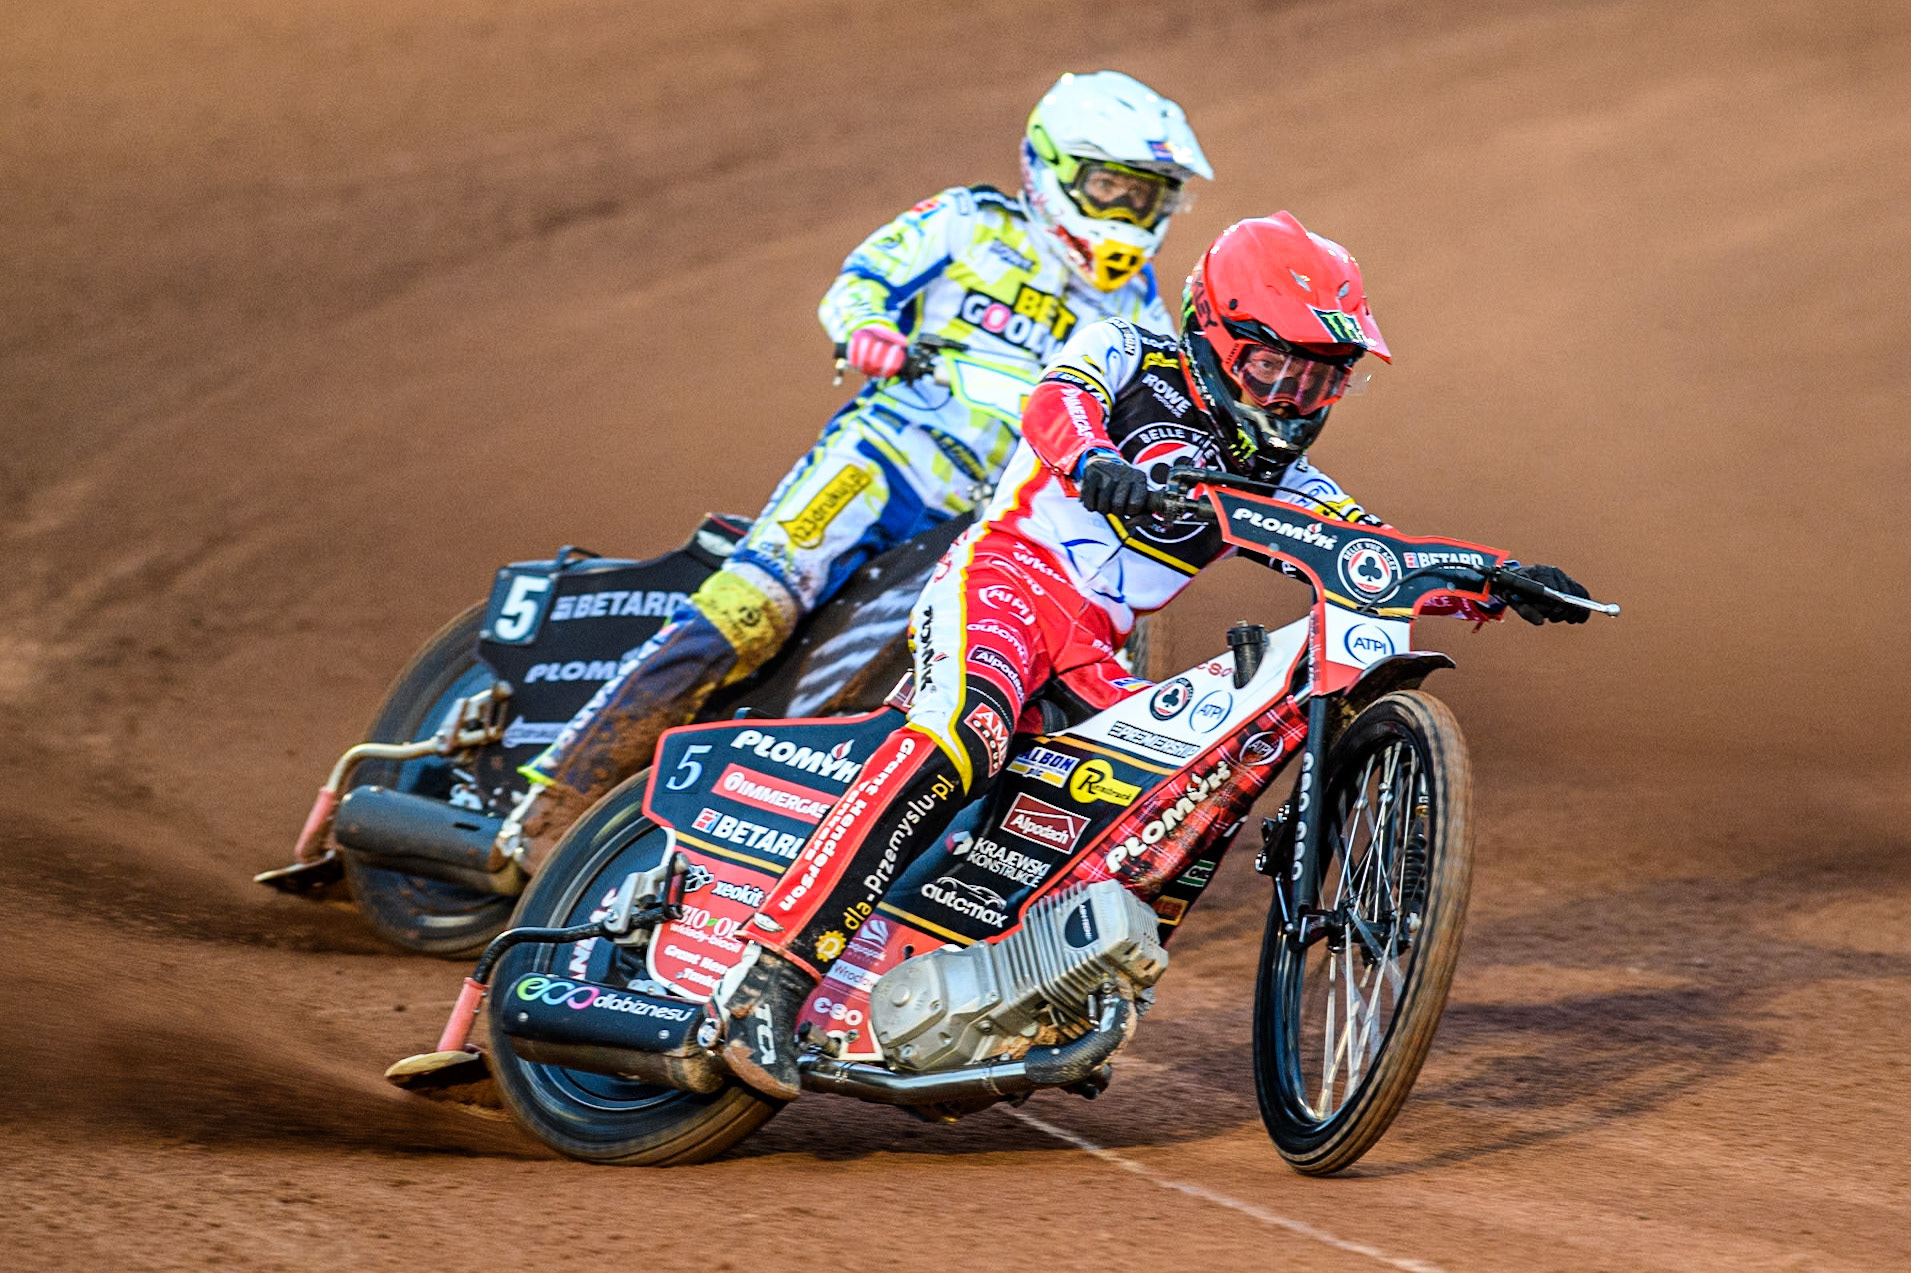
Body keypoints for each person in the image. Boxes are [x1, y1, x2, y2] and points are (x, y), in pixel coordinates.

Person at [711, 211, 1593, 1098]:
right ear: (1212, 334)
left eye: (1319, 379)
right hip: (1006, 579)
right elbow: (1053, 400)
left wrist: (1497, 579)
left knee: (1175, 795)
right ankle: (769, 974)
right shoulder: (1123, 349)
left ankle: (1045, 991)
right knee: (965, 734)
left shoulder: (1290, 482)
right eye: (1274, 366)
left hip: (1094, 648)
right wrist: (1091, 456)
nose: (1291, 399)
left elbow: (1376, 553)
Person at [496, 71, 1212, 868]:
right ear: (1050, 168)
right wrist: (868, 327)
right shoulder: (969, 224)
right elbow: (861, 280)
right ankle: (552, 796)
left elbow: (1156, 408)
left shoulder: (1140, 312)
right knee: (751, 607)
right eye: (1109, 186)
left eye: (1146, 197)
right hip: (884, 461)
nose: (1125, 213)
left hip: (987, 523)